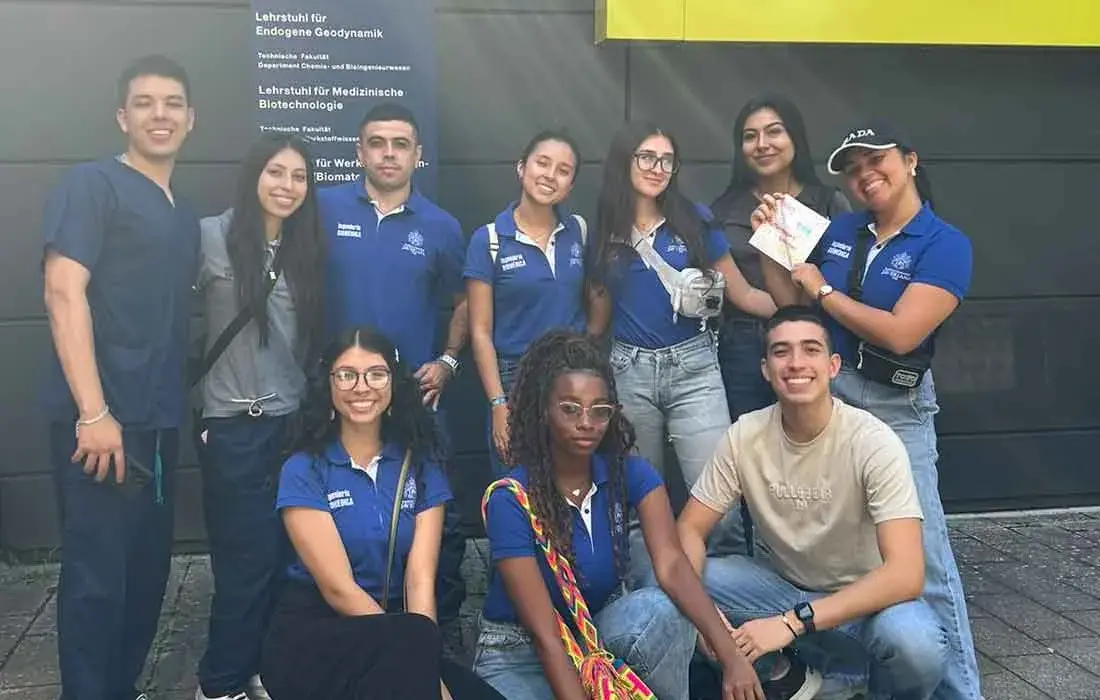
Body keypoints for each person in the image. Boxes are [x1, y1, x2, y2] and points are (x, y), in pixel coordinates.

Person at [755, 121, 979, 699]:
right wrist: (772, 246)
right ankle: (844, 669)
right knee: (824, 533)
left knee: (924, 560)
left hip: (896, 405)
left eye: (874, 160)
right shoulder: (842, 231)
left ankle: (959, 692)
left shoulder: (944, 242)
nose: (863, 175)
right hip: (831, 397)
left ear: (909, 160)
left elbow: (903, 334)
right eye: (852, 169)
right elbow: (790, 305)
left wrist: (824, 292)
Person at [473, 330, 764, 700]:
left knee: (662, 609)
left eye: (600, 410)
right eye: (570, 408)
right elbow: (545, 634)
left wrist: (731, 658)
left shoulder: (631, 474)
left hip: (596, 632)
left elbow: (673, 567)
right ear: (542, 410)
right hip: (519, 652)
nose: (586, 422)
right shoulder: (510, 498)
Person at [678, 305, 946, 700]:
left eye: (810, 349)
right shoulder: (745, 436)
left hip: (865, 606)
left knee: (916, 643)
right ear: (766, 369)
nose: (796, 363)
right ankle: (792, 677)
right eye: (781, 352)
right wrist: (703, 619)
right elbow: (689, 528)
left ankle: (873, 690)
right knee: (676, 580)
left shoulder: (873, 441)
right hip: (782, 589)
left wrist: (791, 623)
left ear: (834, 365)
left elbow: (906, 574)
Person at [40, 54, 198, 700]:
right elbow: (61, 291)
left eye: (171, 103)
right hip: (99, 425)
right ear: (121, 115)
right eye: (144, 102)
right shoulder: (93, 186)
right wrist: (94, 412)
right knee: (97, 579)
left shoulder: (180, 210)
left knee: (146, 572)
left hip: (157, 423)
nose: (159, 115)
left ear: (191, 119)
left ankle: (120, 688)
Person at [259, 326, 504, 700]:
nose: (361, 387)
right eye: (347, 375)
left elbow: (420, 581)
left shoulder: (420, 464)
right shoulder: (304, 468)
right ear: (328, 384)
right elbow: (338, 589)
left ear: (394, 384)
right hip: (315, 633)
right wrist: (416, 662)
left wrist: (424, 662)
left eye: (376, 374)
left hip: (399, 629)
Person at [586, 121, 776, 566]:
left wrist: (806, 307)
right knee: (638, 497)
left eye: (666, 160)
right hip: (628, 370)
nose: (657, 168)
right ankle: (652, 605)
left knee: (718, 494)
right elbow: (597, 316)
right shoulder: (602, 226)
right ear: (624, 160)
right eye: (647, 157)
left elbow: (743, 294)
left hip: (694, 367)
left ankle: (731, 614)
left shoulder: (693, 219)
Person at [318, 101, 469, 652]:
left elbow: (463, 302)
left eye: (399, 144)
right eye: (376, 143)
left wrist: (449, 361)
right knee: (338, 505)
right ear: (359, 151)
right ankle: (346, 618)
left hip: (412, 397)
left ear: (418, 155)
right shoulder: (322, 208)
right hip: (336, 394)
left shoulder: (443, 228)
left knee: (436, 514)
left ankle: (440, 628)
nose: (388, 153)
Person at [193, 133, 326, 700]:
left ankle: (260, 669)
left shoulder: (305, 251)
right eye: (276, 172)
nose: (286, 186)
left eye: (298, 177)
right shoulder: (208, 237)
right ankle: (219, 683)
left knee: (284, 561)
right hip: (231, 426)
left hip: (290, 427)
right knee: (243, 563)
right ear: (254, 175)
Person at [465, 130, 589, 475]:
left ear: (571, 184)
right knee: (515, 487)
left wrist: (584, 349)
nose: (550, 175)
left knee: (570, 483)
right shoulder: (489, 238)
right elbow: (480, 332)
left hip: (574, 377)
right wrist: (498, 404)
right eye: (542, 163)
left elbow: (597, 301)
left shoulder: (578, 231)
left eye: (563, 170)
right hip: (514, 377)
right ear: (521, 168)